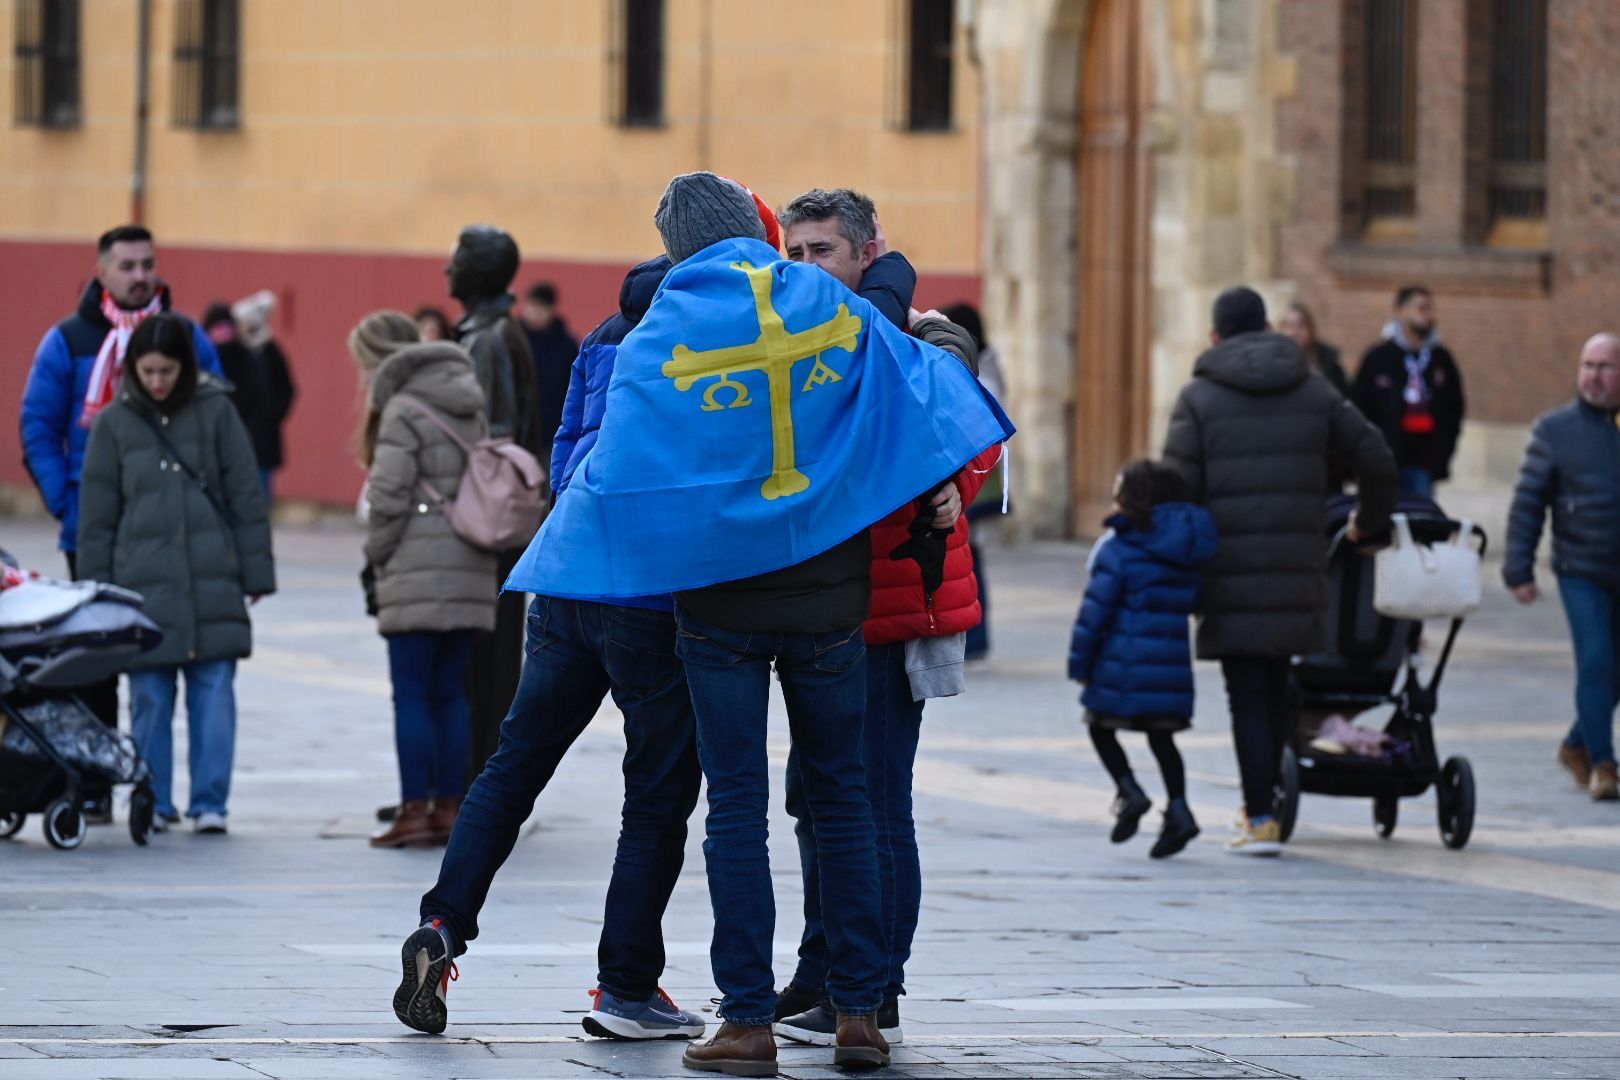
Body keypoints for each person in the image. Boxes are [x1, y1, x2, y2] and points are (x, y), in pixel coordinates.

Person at [393, 255, 706, 1038]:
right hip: (650, 597)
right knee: (657, 793)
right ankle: (627, 987)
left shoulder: (601, 336)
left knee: (510, 769)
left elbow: (566, 450)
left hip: (565, 582)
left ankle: (442, 927)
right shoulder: (705, 337)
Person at [769, 188, 997, 1050]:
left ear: (868, 252)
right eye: (792, 253)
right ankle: (828, 973)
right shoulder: (797, 338)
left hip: (894, 602)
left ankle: (875, 987)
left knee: (873, 801)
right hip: (826, 608)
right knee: (819, 800)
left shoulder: (919, 331)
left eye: (821, 251)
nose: (804, 268)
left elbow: (974, 432)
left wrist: (954, 484)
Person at [1163, 286, 1396, 856]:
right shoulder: (1312, 388)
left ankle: (1262, 815)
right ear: (1267, 327)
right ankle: (1267, 805)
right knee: (1276, 684)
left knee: (1248, 695)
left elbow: (1178, 495)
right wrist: (1369, 523)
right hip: (1298, 571)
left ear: (1216, 337)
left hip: (1229, 573)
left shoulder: (1197, 398)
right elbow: (1377, 458)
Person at [19, 225, 222, 757]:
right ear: (102, 271)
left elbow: (220, 420)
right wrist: (66, 502)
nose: (140, 276)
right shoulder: (68, 340)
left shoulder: (187, 338)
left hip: (172, 528)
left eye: (147, 264)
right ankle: (96, 775)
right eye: (127, 266)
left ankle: (159, 784)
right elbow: (38, 424)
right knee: (93, 657)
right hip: (96, 527)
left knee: (169, 656)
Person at [74, 313, 274, 835]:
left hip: (213, 578)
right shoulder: (114, 423)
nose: (158, 381)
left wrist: (256, 573)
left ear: (185, 367)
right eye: (148, 371)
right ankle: (153, 798)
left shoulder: (216, 409)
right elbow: (96, 517)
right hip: (142, 587)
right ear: (132, 369)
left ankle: (211, 802)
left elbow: (246, 497)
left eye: (167, 370)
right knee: (149, 696)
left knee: (214, 693)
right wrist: (97, 588)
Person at [347, 313, 497, 847]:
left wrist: (376, 556)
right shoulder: (466, 398)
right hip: (470, 563)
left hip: (415, 566)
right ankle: (451, 807)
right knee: (451, 694)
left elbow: (388, 498)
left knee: (410, 695)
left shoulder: (402, 409)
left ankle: (414, 809)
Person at [1068, 460, 1216, 858]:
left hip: (1120, 662)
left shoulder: (1121, 548)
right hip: (1169, 665)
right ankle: (1180, 809)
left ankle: (1129, 791)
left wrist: (1081, 666)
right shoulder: (1187, 548)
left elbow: (1094, 614)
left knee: (1099, 726)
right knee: (1162, 737)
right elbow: (1198, 600)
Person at [1503, 332, 1620, 801]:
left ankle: (1576, 743)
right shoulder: (1556, 430)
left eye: (1605, 367)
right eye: (1587, 365)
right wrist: (1518, 567)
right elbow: (1529, 501)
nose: (1593, 376)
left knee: (1615, 671)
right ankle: (1603, 763)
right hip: (1581, 569)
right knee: (1595, 662)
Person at [446, 226, 542, 781]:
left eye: (457, 259)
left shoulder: (486, 340)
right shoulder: (492, 332)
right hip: (498, 518)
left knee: (485, 654)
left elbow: (490, 437)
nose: (447, 270)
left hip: (488, 519)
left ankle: (477, 780)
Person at [1352, 285, 1465, 498]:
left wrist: (1444, 452)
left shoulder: (1441, 359)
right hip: (1385, 459)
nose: (1428, 314)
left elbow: (1454, 408)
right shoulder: (1379, 358)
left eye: (1430, 308)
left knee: (1419, 520)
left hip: (1424, 461)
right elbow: (1360, 407)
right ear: (1400, 311)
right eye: (1421, 307)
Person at [942, 301, 1006, 661]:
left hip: (979, 477)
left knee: (971, 557)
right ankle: (974, 637)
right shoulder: (987, 367)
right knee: (970, 555)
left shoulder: (985, 373)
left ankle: (976, 638)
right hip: (978, 476)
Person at [232, 290, 298, 498]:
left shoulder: (271, 353)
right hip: (238, 431)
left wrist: (272, 415)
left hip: (263, 436)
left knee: (261, 490)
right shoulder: (236, 351)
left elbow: (287, 389)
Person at [517, 282, 579, 462]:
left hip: (551, 432)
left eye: (541, 309)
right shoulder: (515, 338)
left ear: (551, 310)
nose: (535, 314)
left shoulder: (566, 345)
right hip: (518, 432)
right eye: (531, 307)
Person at [203, 302, 265, 439]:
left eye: (226, 327)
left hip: (243, 427)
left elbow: (256, 391)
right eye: (218, 327)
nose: (223, 332)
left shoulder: (245, 356)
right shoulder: (202, 356)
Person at [1277, 301, 1349, 397]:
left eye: (1300, 325)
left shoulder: (1328, 361)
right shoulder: (1276, 362)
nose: (1294, 332)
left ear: (1311, 328)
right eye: (1289, 326)